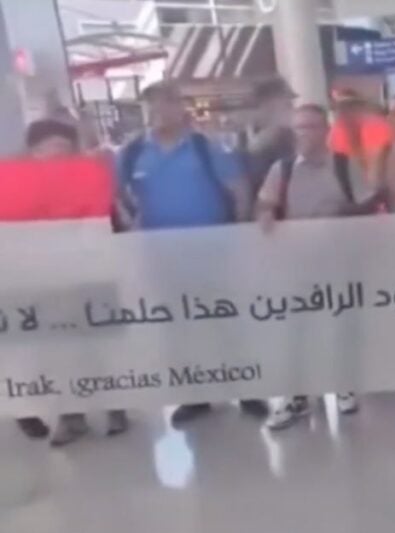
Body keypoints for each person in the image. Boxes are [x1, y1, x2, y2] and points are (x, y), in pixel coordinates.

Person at [116, 80, 267, 426]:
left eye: (165, 104)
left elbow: (239, 189)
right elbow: (121, 196)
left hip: (211, 252)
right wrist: (130, 227)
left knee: (225, 322)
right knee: (178, 326)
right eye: (151, 106)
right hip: (161, 255)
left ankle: (247, 389)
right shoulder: (134, 151)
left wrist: (240, 232)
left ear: (179, 106)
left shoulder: (205, 147)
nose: (158, 113)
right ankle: (195, 395)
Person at [13, 119, 130, 445]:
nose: (53, 155)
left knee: (101, 345)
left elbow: (115, 226)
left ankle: (115, 407)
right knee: (57, 351)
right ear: (33, 153)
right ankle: (71, 416)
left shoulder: (91, 183)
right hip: (45, 282)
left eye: (61, 148)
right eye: (45, 150)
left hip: (92, 276)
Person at [255, 104, 366, 430]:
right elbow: (265, 202)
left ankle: (344, 385)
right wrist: (264, 213)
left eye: (312, 127)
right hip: (295, 265)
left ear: (326, 130)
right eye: (300, 127)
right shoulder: (283, 169)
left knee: (339, 325)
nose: (305, 133)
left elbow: (366, 204)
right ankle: (296, 395)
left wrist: (341, 213)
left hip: (338, 261)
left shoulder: (345, 166)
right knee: (295, 331)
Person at [241, 77, 296, 191]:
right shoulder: (271, 139)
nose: (291, 107)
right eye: (287, 102)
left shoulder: (254, 138)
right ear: (268, 103)